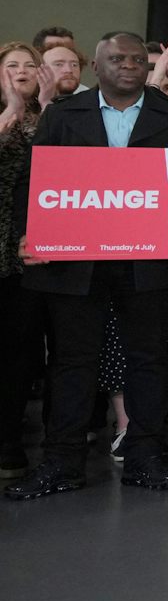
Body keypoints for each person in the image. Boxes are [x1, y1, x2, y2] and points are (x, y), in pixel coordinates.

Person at [4, 34, 168, 501]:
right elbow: (30, 184)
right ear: (96, 67)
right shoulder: (62, 115)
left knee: (150, 361)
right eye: (117, 59)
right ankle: (62, 462)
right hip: (75, 262)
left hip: (149, 261)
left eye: (137, 59)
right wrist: (25, 236)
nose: (129, 66)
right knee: (71, 363)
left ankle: (146, 456)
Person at [0, 43, 46, 479]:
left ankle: (9, 439)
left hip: (29, 253)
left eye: (29, 65)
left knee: (19, 352)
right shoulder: (6, 119)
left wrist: (44, 111)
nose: (21, 71)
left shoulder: (50, 118)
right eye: (11, 65)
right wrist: (8, 113)